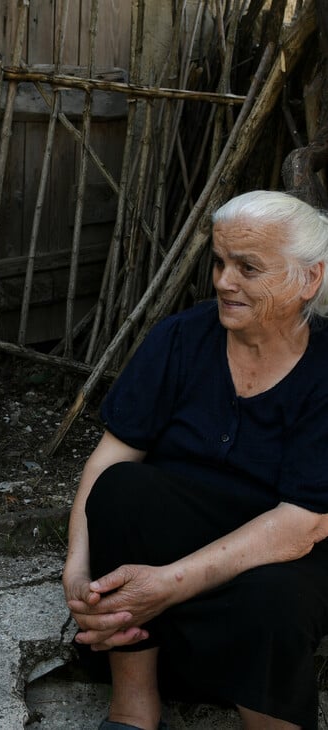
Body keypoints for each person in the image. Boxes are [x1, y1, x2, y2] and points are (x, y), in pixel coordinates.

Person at [63, 190, 328, 730]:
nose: (224, 281)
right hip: (185, 530)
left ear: (309, 279)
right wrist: (77, 565)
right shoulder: (182, 337)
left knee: (271, 597)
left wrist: (164, 586)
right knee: (122, 488)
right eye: (220, 262)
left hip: (287, 545)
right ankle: (133, 708)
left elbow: (303, 523)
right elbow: (108, 458)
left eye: (247, 267)